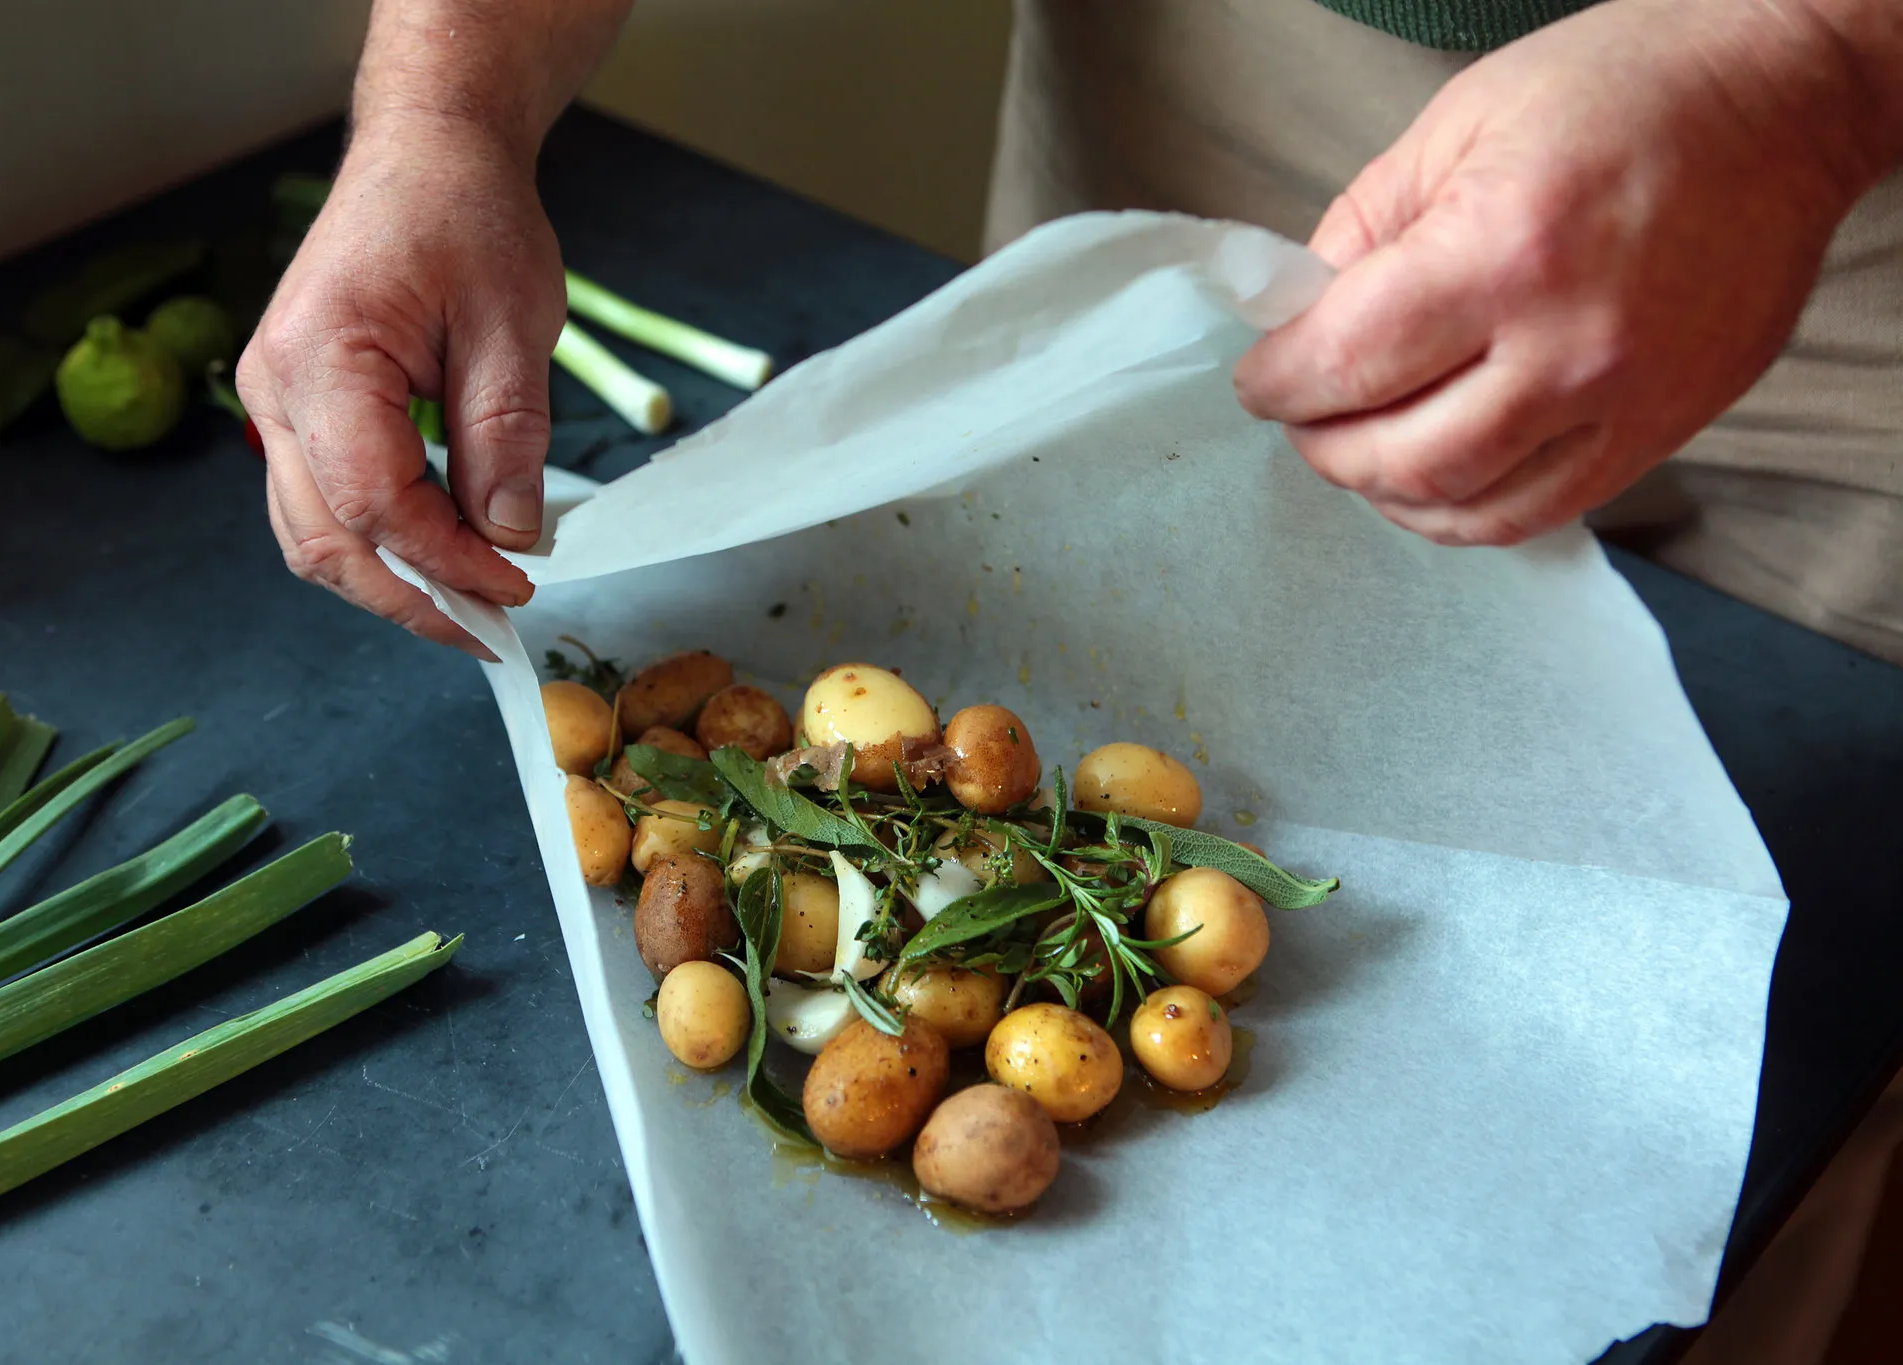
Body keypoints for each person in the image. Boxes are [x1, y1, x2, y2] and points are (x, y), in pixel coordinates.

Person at [236, 0, 1901, 1356]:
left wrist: (1806, 70)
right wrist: (441, 114)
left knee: (1816, 1044)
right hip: (1222, 70)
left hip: (1860, 266)